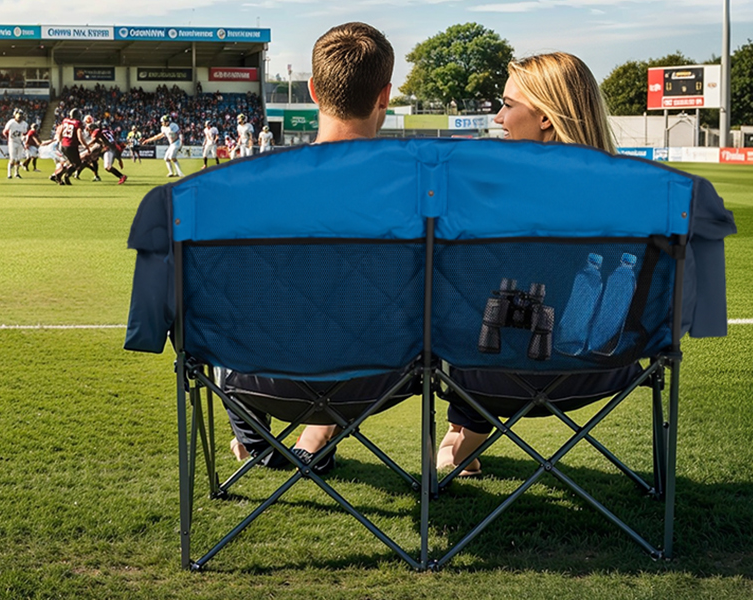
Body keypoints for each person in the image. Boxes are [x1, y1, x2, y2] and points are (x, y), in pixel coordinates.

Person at [435, 51, 624, 478]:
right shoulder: (631, 193)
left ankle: (459, 441)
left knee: (471, 307)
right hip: (604, 370)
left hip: (504, 371)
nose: (499, 118)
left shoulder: (506, 201)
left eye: (507, 104)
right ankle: (459, 438)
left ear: (544, 118)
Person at [224, 22, 397, 474]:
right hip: (386, 378)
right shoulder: (424, 192)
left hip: (267, 381)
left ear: (314, 91)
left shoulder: (250, 189)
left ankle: (257, 441)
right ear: (385, 95)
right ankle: (316, 436)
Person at [49, 108, 84, 185]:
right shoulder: (77, 123)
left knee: (69, 163)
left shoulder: (65, 120)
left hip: (63, 144)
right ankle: (63, 176)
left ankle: (56, 175)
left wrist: (60, 140)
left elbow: (60, 130)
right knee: (77, 164)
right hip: (71, 145)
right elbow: (79, 135)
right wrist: (85, 145)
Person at [3, 109, 28, 179]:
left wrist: (24, 138)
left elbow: (24, 133)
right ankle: (9, 174)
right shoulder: (11, 122)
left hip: (19, 142)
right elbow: (5, 131)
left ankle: (16, 173)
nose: (20, 117)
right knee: (12, 159)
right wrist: (8, 137)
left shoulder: (25, 124)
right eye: (18, 115)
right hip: (12, 142)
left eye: (21, 115)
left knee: (18, 159)